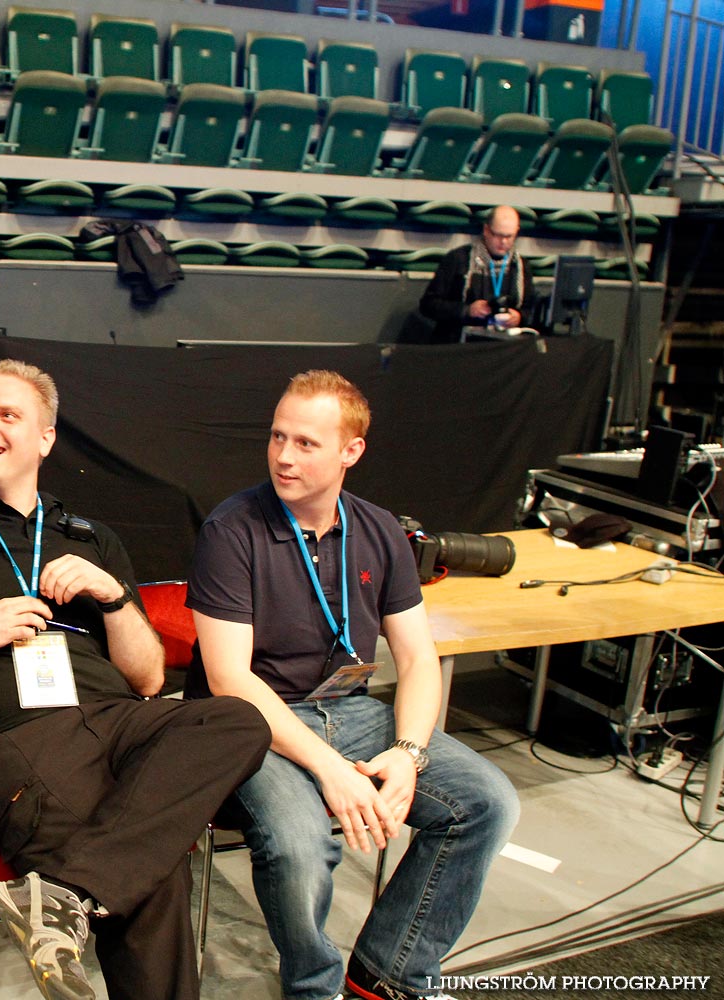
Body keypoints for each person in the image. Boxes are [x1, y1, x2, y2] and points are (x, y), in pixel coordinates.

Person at [0, 359, 271, 1000]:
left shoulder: (90, 538)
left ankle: (66, 896)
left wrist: (115, 597)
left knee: (237, 718)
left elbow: (150, 676)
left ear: (45, 438)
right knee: (153, 874)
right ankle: (78, 893)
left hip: (114, 719)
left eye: (7, 415)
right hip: (7, 739)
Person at [186, 370, 520, 1000]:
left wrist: (409, 754)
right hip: (253, 718)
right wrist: (331, 770)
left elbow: (419, 659)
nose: (284, 455)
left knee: (488, 803)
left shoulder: (380, 530)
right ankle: (315, 986)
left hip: (350, 707)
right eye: (278, 436)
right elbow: (230, 679)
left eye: (306, 443)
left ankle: (390, 973)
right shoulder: (231, 531)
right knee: (299, 844)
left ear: (351, 451)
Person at [418, 205, 537, 343]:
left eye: (509, 236)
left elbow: (530, 309)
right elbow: (428, 305)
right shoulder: (458, 259)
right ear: (486, 230)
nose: (503, 242)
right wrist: (467, 310)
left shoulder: (521, 266)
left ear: (516, 232)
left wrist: (519, 317)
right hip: (459, 344)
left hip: (503, 347)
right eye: (498, 235)